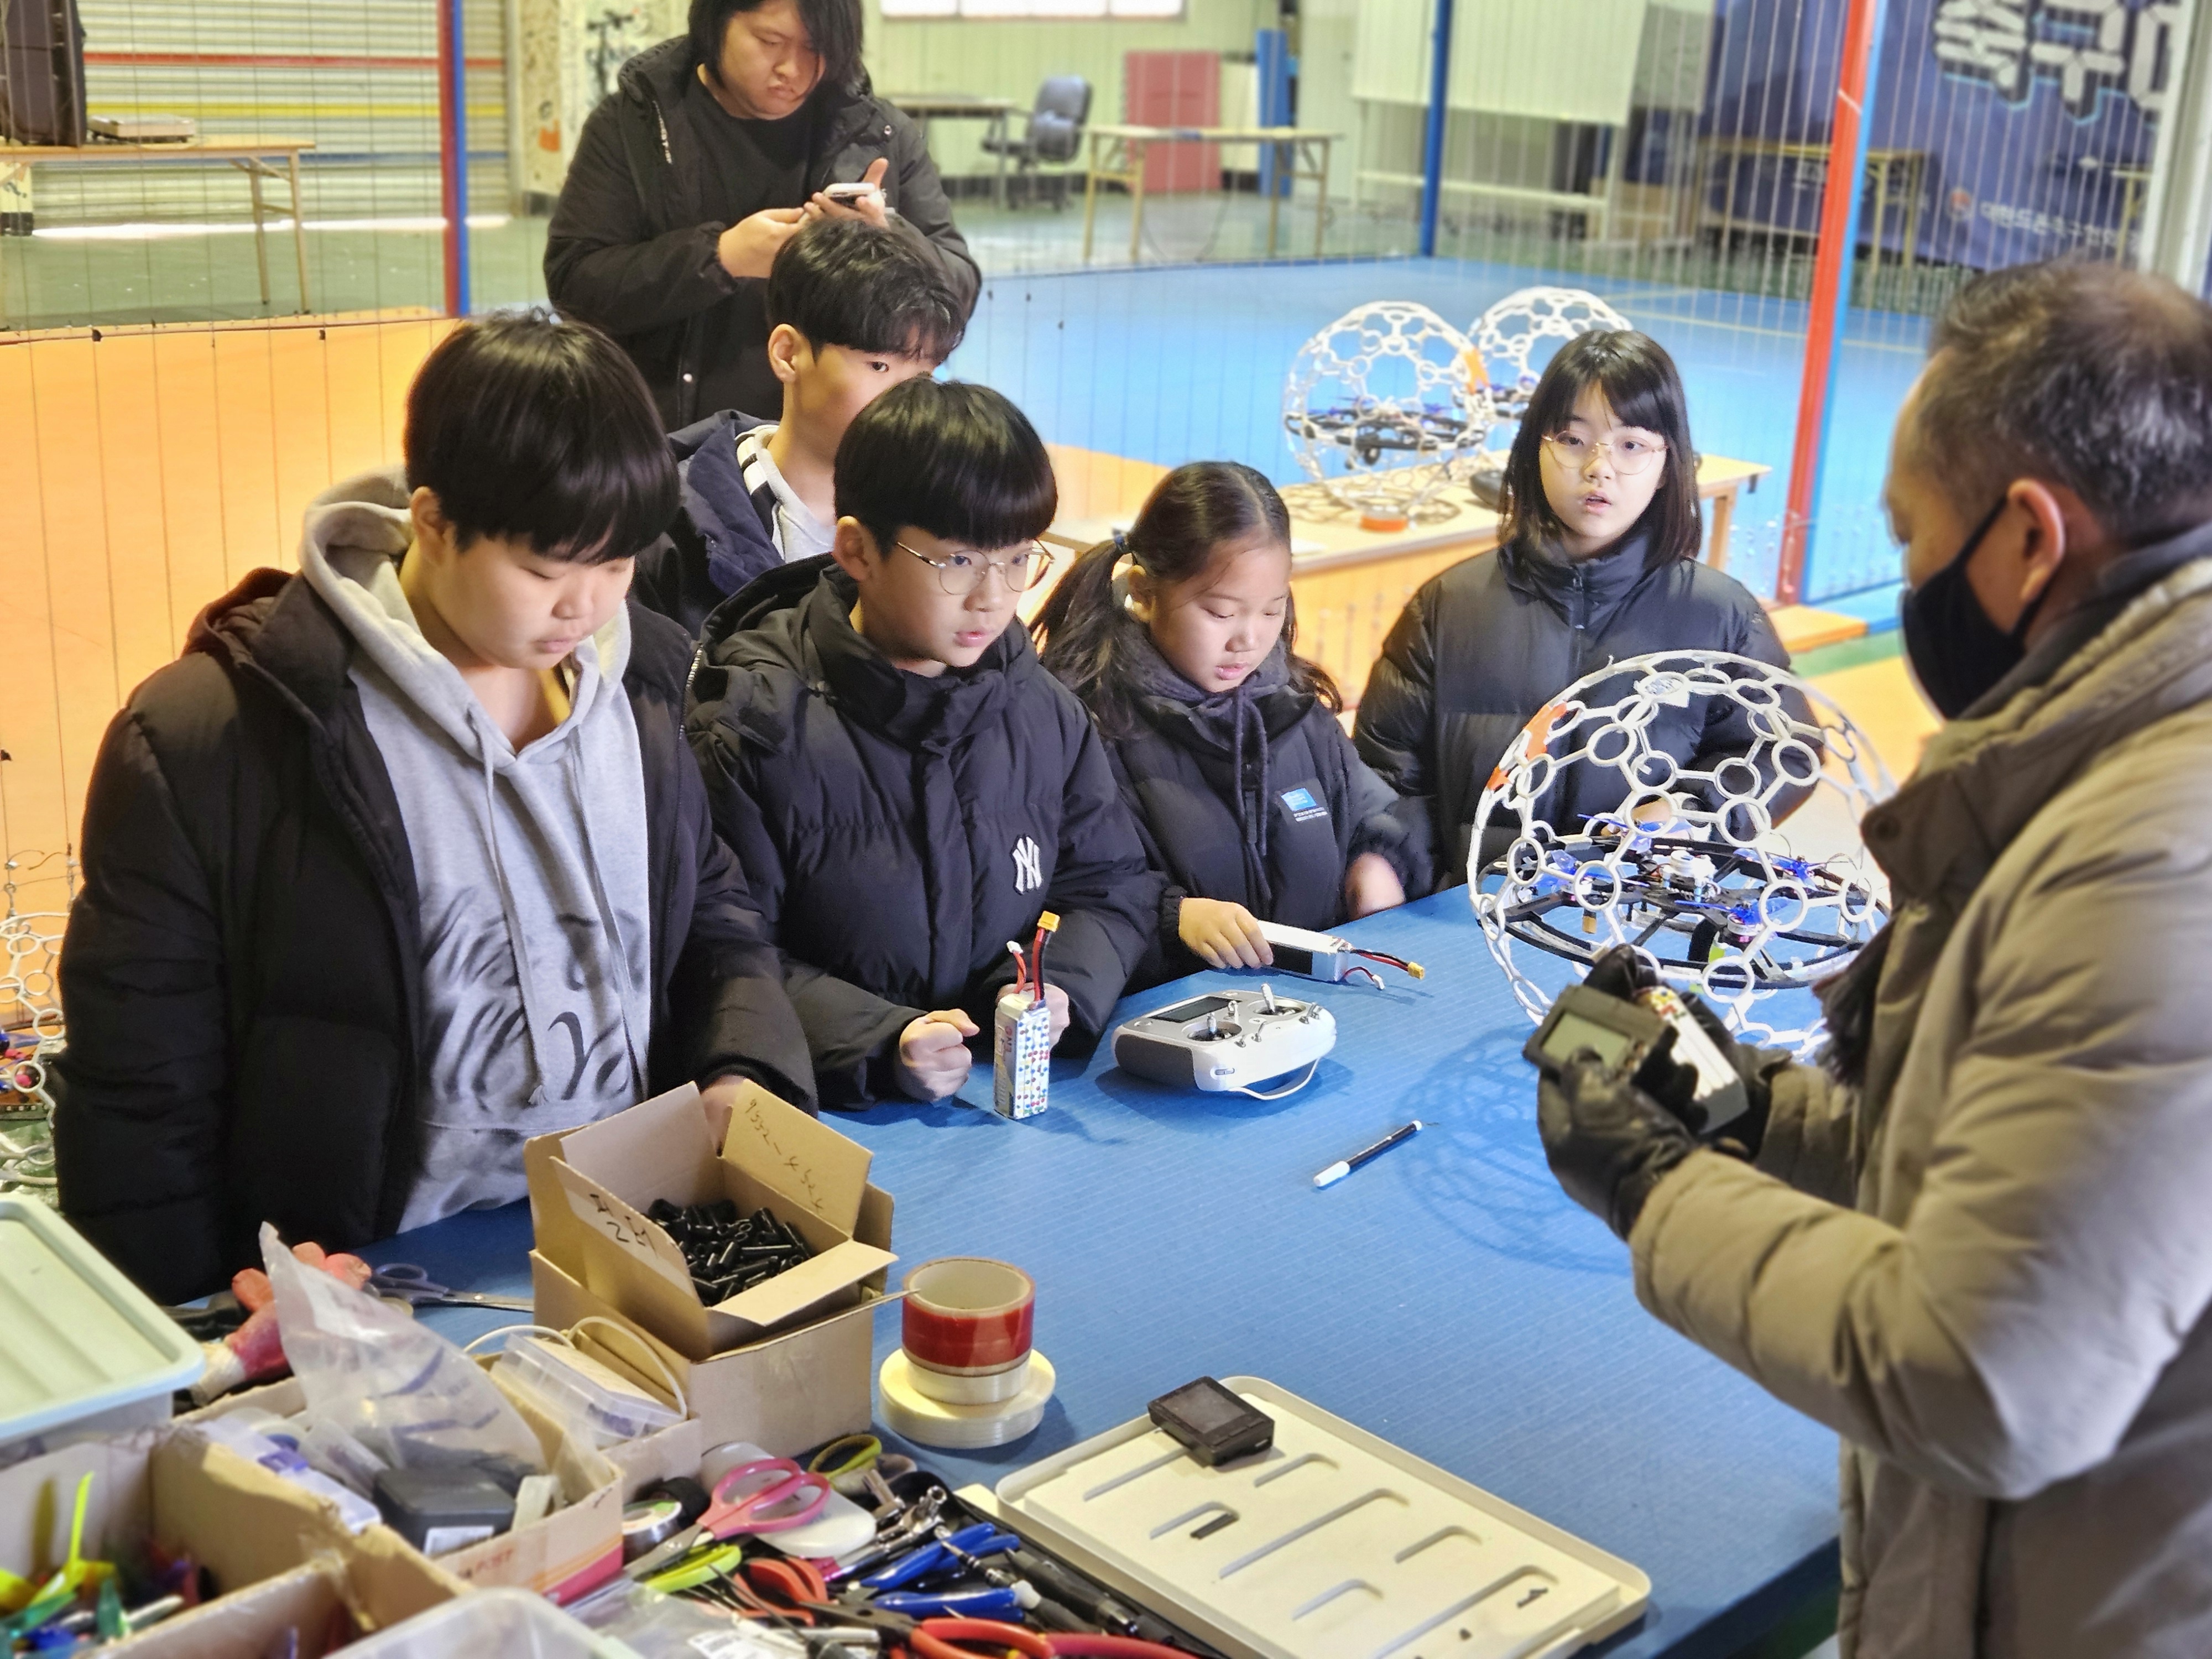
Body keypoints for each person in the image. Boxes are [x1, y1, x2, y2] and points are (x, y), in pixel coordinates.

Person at [1535, 262, 2212, 1658]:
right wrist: (1747, 1111)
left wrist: (1659, 1186)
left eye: (1909, 536)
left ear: (2028, 538)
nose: (1908, 581)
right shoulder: (2114, 773)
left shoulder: (2152, 855)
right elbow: (2023, 1175)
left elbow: (1981, 1375)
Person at [53, 312, 813, 1303]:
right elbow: (140, 1085)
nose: (585, 606)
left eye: (617, 564)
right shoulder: (223, 735)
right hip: (359, 1282)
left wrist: (743, 1064)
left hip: (618, 1245)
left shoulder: (646, 687)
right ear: (434, 522)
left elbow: (711, 911)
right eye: (544, 569)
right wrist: (189, 1310)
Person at [686, 377, 1160, 1106]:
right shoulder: (754, 727)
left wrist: (1056, 982)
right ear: (857, 551)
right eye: (957, 562)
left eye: (1018, 559)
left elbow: (1111, 884)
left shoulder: (1043, 712)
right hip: (836, 1114)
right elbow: (725, 955)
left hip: (999, 1095)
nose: (993, 598)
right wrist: (883, 1040)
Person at [1355, 328, 1792, 888]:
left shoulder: (1720, 615)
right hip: (1465, 911)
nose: (1598, 468)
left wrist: (1685, 810)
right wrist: (1388, 866)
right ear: (1534, 448)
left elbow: (1781, 751)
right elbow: (1386, 774)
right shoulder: (1449, 605)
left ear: (1668, 464)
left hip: (1635, 912)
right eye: (1572, 439)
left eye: (1631, 445)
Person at [1032, 461, 1429, 980]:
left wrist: (1376, 860)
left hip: (1309, 1003)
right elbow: (1069, 892)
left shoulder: (1293, 709)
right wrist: (1173, 915)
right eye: (1221, 613)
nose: (1249, 640)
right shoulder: (1085, 728)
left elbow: (1373, 812)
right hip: (1169, 1012)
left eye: (1271, 610)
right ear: (1146, 594)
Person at [544, 0, 977, 430]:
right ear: (717, 22)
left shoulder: (876, 132)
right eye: (770, 41)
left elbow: (959, 291)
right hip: (668, 437)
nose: (792, 69)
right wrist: (721, 257)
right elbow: (575, 284)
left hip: (839, 445)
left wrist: (886, 239)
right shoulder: (635, 126)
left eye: (816, 48)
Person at [633, 216, 964, 638]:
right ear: (788, 355)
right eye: (879, 366)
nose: (908, 398)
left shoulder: (944, 511)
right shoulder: (666, 529)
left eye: (923, 375)